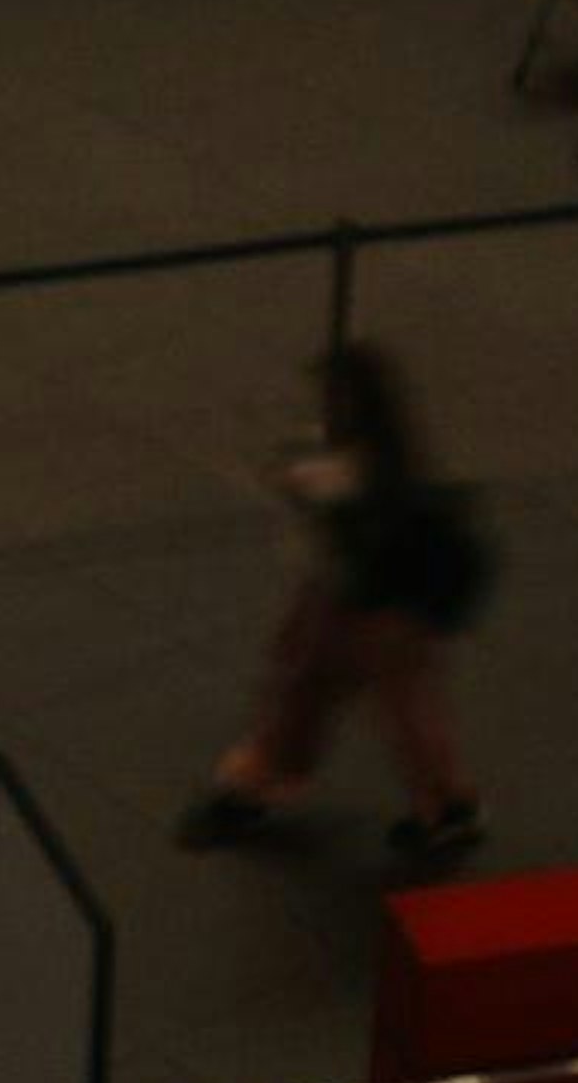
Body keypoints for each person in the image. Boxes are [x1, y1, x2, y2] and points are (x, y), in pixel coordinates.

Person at [176, 340, 490, 862]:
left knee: (374, 705)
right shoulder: (383, 461)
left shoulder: (360, 474)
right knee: (361, 701)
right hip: (366, 603)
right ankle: (444, 806)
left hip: (377, 609)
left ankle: (262, 784)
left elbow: (346, 549)